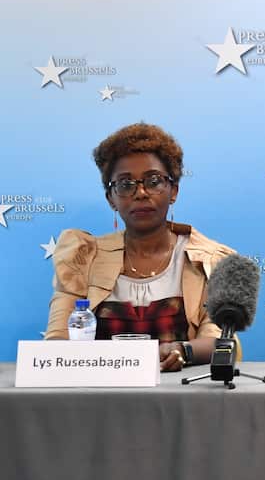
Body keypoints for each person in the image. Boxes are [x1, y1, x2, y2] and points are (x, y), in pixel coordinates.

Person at [45, 123, 236, 372]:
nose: (141, 193)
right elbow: (57, 340)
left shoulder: (210, 260)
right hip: (96, 398)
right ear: (111, 199)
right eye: (125, 185)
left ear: (174, 190)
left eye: (153, 181)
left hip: (182, 401)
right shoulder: (82, 257)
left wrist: (182, 350)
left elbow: (219, 340)